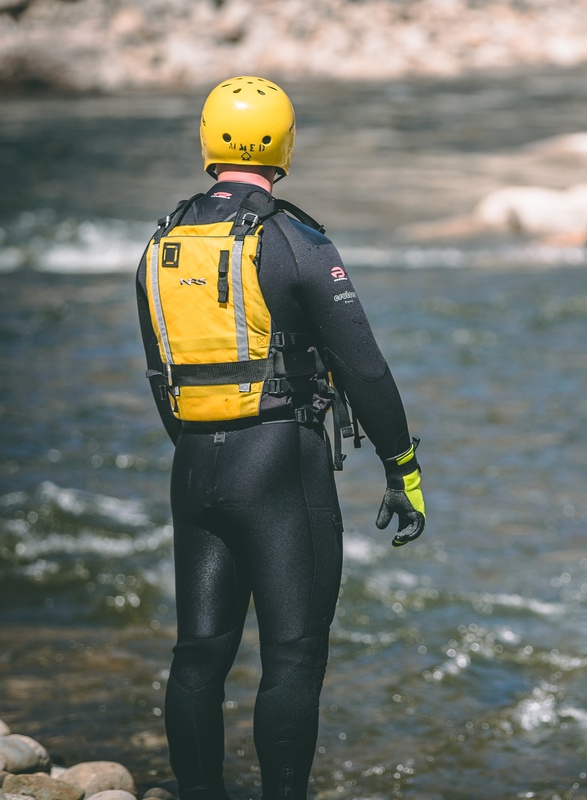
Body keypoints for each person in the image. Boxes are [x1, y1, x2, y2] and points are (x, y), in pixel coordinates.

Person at [135, 76, 426, 800]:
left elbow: (160, 376)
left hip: (195, 465)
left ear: (208, 140)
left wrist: (203, 442)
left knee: (198, 654)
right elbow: (364, 365)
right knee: (293, 657)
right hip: (279, 466)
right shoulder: (293, 238)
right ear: (283, 142)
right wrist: (404, 468)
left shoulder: (160, 244)